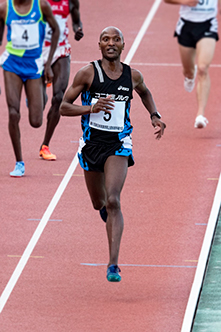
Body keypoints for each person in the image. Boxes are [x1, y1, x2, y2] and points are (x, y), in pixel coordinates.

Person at [59, 26, 166, 282]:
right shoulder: (87, 73)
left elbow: (145, 93)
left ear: (122, 45)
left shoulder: (132, 76)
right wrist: (91, 108)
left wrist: (154, 115)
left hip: (119, 144)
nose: (111, 43)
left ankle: (113, 265)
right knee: (100, 203)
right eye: (106, 39)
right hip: (92, 145)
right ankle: (106, 210)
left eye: (116, 39)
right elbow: (63, 107)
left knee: (115, 200)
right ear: (99, 45)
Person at [0, 0, 59, 177]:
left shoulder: (41, 6)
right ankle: (19, 162)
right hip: (12, 64)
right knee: (13, 113)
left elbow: (56, 30)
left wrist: (48, 65)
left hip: (34, 65)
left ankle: (39, 96)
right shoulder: (5, 8)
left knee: (36, 122)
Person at [39, 0, 84, 161]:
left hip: (61, 50)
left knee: (58, 97)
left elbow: (77, 21)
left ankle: (45, 145)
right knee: (39, 106)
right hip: (39, 50)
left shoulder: (71, 1)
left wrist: (78, 30)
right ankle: (35, 97)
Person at [164, 0, 220, 128]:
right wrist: (184, 1)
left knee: (202, 68)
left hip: (208, 24)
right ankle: (189, 76)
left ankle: (200, 115)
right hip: (186, 26)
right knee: (188, 70)